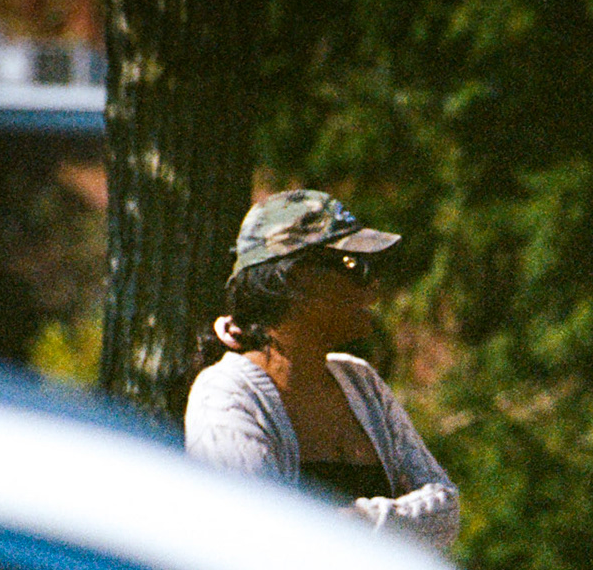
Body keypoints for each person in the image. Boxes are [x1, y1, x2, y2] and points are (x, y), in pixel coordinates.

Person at [185, 189, 458, 551]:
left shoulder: (361, 382)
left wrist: (341, 524)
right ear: (296, 279)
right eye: (354, 266)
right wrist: (397, 526)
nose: (372, 286)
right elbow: (264, 541)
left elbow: (446, 510)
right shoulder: (225, 397)